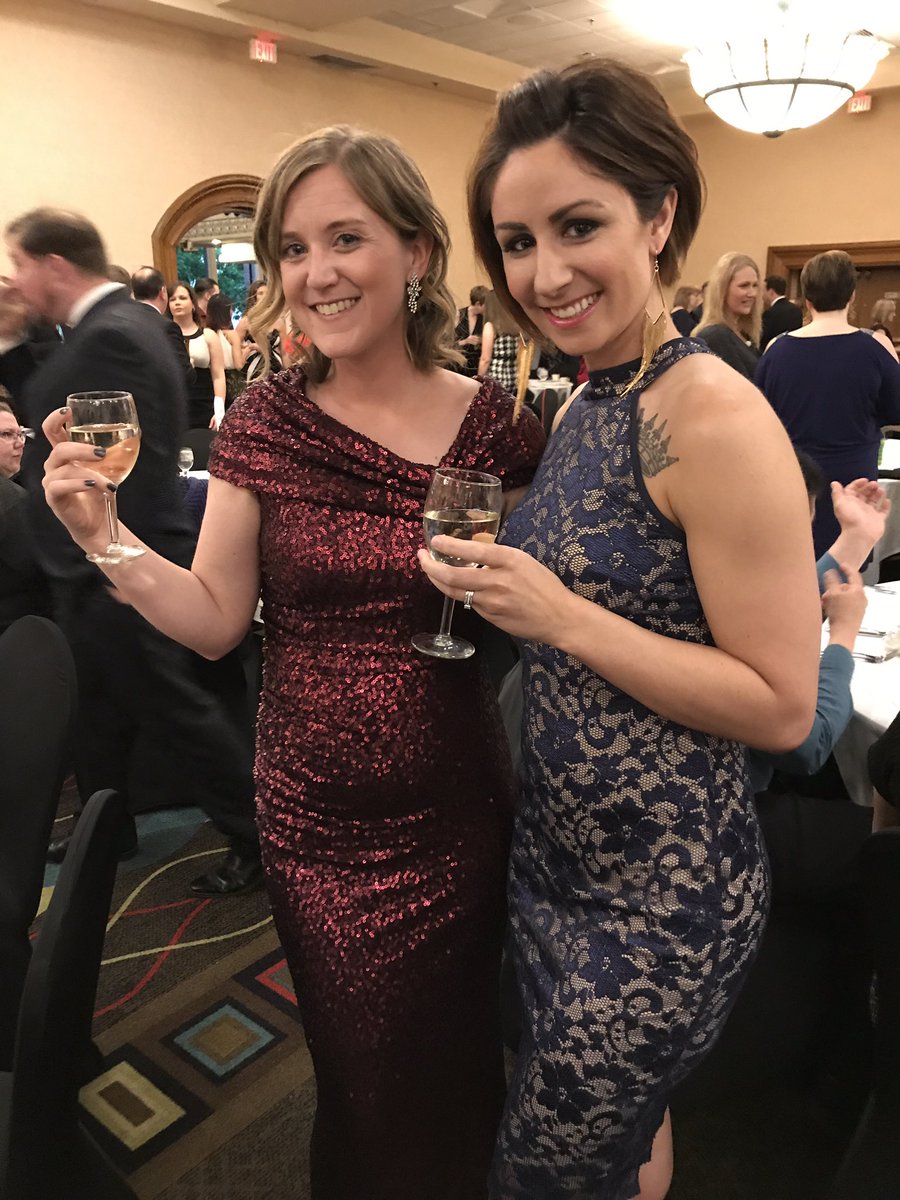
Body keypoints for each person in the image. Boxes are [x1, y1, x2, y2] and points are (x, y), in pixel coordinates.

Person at [40, 127, 545, 1200]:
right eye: (293, 248)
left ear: (416, 251)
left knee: (458, 1067)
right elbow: (215, 620)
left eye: (346, 238)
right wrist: (103, 537)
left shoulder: (498, 427)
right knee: (362, 1084)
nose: (317, 273)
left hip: (456, 808)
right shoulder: (268, 421)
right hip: (316, 820)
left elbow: (554, 614)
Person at [422, 59, 820, 1200]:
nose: (545, 274)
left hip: (663, 901)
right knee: (626, 1140)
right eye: (517, 241)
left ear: (658, 217)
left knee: (542, 1172)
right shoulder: (595, 395)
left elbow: (784, 708)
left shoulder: (715, 414)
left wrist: (562, 617)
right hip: (558, 859)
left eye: (578, 225)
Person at [2, 207, 260, 892]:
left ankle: (255, 835)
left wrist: (117, 562)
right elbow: (52, 405)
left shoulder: (109, 336)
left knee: (178, 712)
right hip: (99, 562)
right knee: (98, 714)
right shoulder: (122, 322)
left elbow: (121, 461)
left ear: (55, 264)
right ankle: (109, 827)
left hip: (116, 566)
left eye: (20, 264)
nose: (16, 281)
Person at [755, 249, 900, 558]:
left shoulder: (777, 349)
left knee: (791, 560)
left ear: (806, 298)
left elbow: (760, 419)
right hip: (853, 479)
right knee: (846, 566)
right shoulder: (874, 348)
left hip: (793, 476)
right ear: (852, 295)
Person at [693, 251, 762, 378]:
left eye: (755, 285)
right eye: (744, 286)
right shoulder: (715, 336)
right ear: (722, 290)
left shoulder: (743, 334)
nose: (752, 293)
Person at [168, 280, 226, 429]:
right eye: (172, 299)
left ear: (193, 304)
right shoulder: (163, 336)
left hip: (204, 405)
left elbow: (218, 376)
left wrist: (219, 411)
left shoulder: (208, 335)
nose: (177, 303)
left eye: (182, 298)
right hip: (175, 405)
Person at [130, 265, 195, 388]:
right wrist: (190, 367)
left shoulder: (123, 321)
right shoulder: (167, 327)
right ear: (162, 292)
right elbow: (184, 375)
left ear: (134, 293)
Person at [204, 292, 246, 406]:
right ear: (227, 311)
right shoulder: (232, 335)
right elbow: (238, 364)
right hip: (232, 384)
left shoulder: (206, 334)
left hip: (211, 383)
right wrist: (248, 350)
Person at [479, 288, 520, 389]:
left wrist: (479, 379)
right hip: (513, 376)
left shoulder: (491, 326)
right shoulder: (515, 326)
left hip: (497, 376)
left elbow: (485, 359)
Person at [760, 274, 803, 350]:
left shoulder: (770, 313)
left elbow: (764, 341)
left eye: (763, 291)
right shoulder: (797, 310)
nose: (762, 295)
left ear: (771, 292)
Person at [455, 284, 487, 375]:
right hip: (458, 365)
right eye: (486, 305)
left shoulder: (485, 319)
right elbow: (447, 344)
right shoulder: (458, 315)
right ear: (478, 304)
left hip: (475, 367)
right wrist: (465, 341)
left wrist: (482, 340)